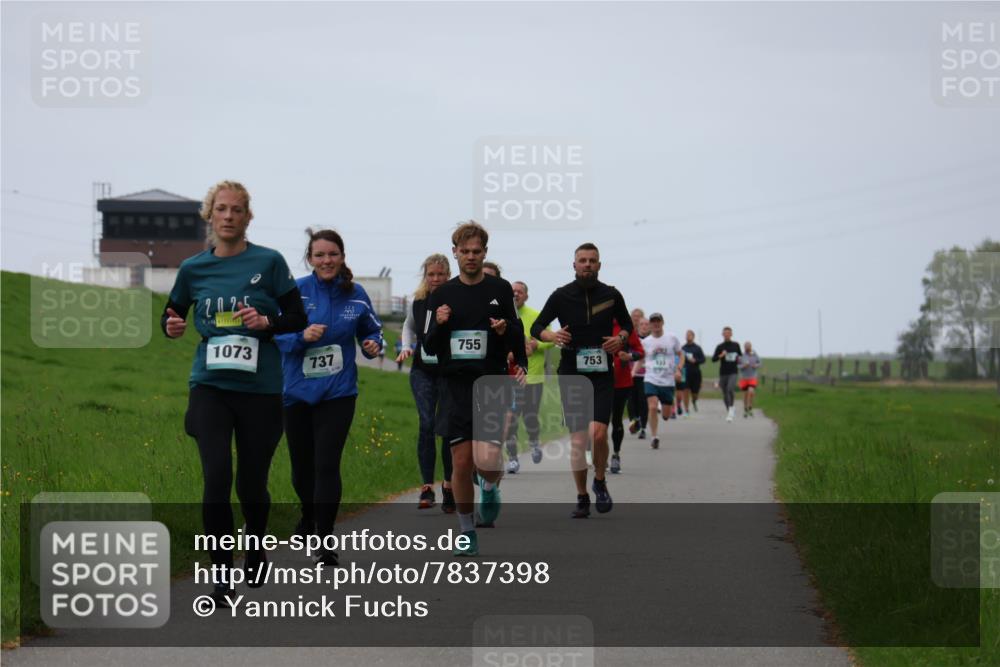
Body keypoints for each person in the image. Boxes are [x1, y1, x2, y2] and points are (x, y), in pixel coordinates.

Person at [162, 181, 307, 606]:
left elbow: (296, 316)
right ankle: (221, 578)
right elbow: (172, 314)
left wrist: (266, 323)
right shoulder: (193, 269)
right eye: (221, 209)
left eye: (237, 210)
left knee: (251, 483)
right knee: (217, 478)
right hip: (210, 387)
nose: (229, 216)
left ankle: (257, 543)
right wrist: (170, 327)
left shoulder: (270, 261)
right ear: (210, 215)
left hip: (260, 390)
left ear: (247, 217)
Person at [275, 229, 383, 567]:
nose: (326, 261)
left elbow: (373, 329)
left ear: (342, 257)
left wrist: (373, 344)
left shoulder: (356, 294)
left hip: (338, 392)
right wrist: (301, 337)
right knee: (301, 469)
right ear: (310, 259)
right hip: (296, 392)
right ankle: (309, 516)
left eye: (332, 254)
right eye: (319, 255)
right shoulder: (295, 292)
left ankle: (324, 539)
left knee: (326, 464)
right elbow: (273, 335)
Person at [424, 222, 527, 556]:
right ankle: (467, 531)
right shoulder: (441, 295)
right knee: (461, 462)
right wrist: (439, 324)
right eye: (464, 251)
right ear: (455, 253)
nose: (470, 257)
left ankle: (491, 486)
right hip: (455, 385)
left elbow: (517, 330)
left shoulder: (499, 289)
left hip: (491, 382)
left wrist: (504, 331)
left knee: (487, 460)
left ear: (485, 253)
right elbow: (430, 345)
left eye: (476, 251)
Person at [531, 243, 632, 518]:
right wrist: (552, 337)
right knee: (578, 440)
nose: (587, 264)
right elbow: (537, 327)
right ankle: (582, 495)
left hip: (601, 373)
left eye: (592, 260)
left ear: (599, 265)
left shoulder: (611, 295)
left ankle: (599, 480)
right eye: (582, 260)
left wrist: (620, 339)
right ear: (573, 265)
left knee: (598, 433)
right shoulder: (561, 296)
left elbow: (627, 325)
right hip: (572, 372)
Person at [397, 254, 455, 512]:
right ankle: (427, 487)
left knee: (447, 427)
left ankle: (449, 484)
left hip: (449, 371)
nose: (435, 279)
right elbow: (408, 327)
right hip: (422, 371)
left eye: (440, 274)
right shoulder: (419, 302)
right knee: (427, 424)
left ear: (448, 275)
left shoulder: (457, 299)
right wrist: (407, 347)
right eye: (431, 274)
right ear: (425, 276)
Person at [503, 280, 554, 473]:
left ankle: (534, 442)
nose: (516, 294)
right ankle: (513, 458)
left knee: (530, 417)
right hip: (511, 378)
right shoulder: (504, 315)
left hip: (533, 377)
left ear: (526, 296)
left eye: (520, 292)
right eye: (513, 291)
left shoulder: (535, 316)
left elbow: (552, 339)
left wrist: (537, 345)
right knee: (511, 420)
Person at [640, 313, 684, 450]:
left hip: (668, 381)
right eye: (653, 322)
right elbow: (641, 359)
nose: (656, 324)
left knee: (666, 415)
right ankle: (654, 437)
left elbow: (681, 354)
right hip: (651, 378)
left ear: (662, 322)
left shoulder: (672, 338)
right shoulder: (645, 342)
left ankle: (665, 412)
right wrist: (633, 369)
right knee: (652, 407)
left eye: (658, 321)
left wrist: (678, 369)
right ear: (650, 325)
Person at [610, 320, 643, 473]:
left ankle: (616, 455)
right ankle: (597, 455)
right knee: (599, 422)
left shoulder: (625, 327)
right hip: (597, 381)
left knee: (616, 420)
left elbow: (640, 351)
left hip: (621, 383)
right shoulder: (592, 322)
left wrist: (629, 356)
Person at [713, 327, 742, 422]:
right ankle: (729, 410)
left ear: (731, 334)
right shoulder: (720, 346)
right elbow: (713, 359)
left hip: (733, 371)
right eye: (725, 333)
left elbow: (740, 356)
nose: (726, 335)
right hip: (723, 372)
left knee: (730, 389)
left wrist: (738, 359)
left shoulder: (736, 345)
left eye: (728, 333)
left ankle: (731, 408)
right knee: (725, 393)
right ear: (722, 334)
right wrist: (721, 355)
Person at [629, 316, 651, 438]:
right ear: (638, 326)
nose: (644, 326)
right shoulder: (632, 338)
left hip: (646, 375)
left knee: (643, 401)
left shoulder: (652, 340)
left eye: (647, 324)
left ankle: (643, 428)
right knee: (631, 400)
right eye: (642, 324)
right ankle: (634, 421)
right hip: (631, 373)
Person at [680, 330, 706, 414]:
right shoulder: (683, 348)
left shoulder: (697, 348)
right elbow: (678, 359)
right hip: (685, 372)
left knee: (695, 393)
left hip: (695, 372)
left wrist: (696, 360)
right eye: (686, 335)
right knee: (685, 390)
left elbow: (703, 359)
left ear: (693, 337)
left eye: (689, 335)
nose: (688, 336)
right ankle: (686, 410)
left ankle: (694, 401)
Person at [739, 341, 761, 417]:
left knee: (751, 391)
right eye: (746, 347)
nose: (747, 348)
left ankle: (750, 406)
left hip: (752, 377)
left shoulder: (754, 354)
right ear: (744, 347)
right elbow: (738, 366)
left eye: (749, 346)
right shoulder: (741, 355)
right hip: (744, 377)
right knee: (745, 394)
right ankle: (745, 409)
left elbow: (760, 363)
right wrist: (743, 366)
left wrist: (756, 365)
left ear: (751, 347)